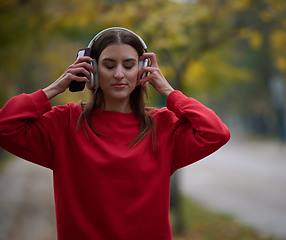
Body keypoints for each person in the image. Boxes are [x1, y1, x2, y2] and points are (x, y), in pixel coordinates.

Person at [0, 27, 230, 239]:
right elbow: (4, 126)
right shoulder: (64, 123)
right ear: (92, 71)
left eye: (129, 66)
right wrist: (56, 87)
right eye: (109, 66)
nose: (119, 74)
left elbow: (216, 132)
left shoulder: (163, 126)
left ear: (142, 71)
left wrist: (169, 92)